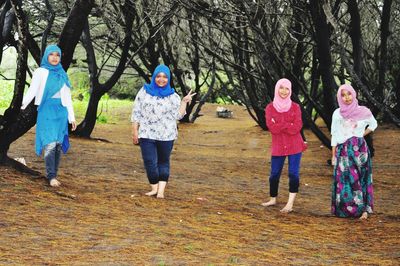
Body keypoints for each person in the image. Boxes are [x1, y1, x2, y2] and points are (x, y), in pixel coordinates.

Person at [131, 64, 195, 199]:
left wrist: (184, 102)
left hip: (167, 135)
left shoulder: (173, 96)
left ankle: (161, 191)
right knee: (150, 162)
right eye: (159, 76)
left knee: (163, 162)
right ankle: (154, 187)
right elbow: (136, 112)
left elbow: (178, 116)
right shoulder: (144, 92)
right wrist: (135, 131)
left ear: (169, 78)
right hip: (147, 133)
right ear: (154, 77)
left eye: (165, 77)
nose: (161, 79)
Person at [21, 45, 76, 187]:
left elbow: (68, 97)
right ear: (46, 56)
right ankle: (51, 176)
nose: (54, 57)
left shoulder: (62, 73)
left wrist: (72, 117)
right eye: (51, 54)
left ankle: (53, 175)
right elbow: (32, 91)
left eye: (57, 55)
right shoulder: (41, 71)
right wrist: (21, 106)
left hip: (61, 112)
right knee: (50, 143)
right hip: (46, 109)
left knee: (57, 144)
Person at [331, 84, 377, 220]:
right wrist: (333, 154)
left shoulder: (364, 111)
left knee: (360, 178)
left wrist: (362, 134)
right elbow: (334, 134)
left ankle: (363, 210)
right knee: (345, 179)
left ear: (354, 94)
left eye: (349, 94)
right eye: (343, 95)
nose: (346, 98)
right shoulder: (337, 114)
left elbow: (374, 124)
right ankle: (346, 210)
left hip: (360, 150)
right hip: (343, 150)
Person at [262, 78, 306, 213]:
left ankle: (290, 203)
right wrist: (288, 124)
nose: (284, 91)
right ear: (277, 89)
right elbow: (272, 127)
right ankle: (273, 198)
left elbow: (297, 127)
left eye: (287, 88)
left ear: (290, 90)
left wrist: (280, 124)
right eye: (281, 87)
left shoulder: (295, 107)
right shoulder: (270, 108)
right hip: (278, 145)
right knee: (274, 174)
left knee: (293, 173)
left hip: (295, 145)